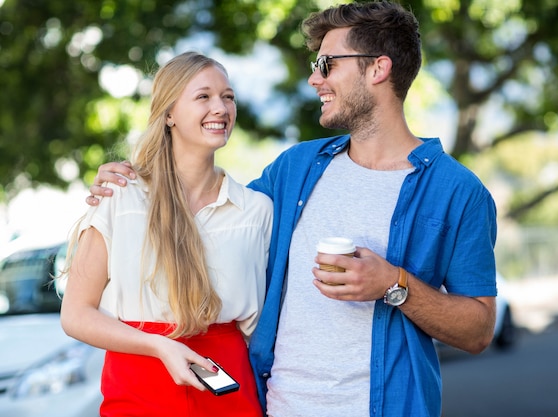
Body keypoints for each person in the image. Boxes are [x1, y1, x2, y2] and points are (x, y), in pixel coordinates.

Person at [86, 2, 498, 416]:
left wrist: (394, 284)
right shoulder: (295, 168)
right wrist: (138, 181)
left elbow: (479, 329)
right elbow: (208, 213)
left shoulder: (458, 192)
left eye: (327, 64)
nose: (313, 78)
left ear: (378, 69)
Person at [61, 51, 273, 417]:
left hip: (227, 389)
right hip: (139, 386)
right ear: (170, 113)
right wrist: (159, 346)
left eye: (228, 96)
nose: (220, 107)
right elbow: (76, 314)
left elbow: (261, 328)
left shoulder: (256, 210)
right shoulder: (119, 196)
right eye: (203, 96)